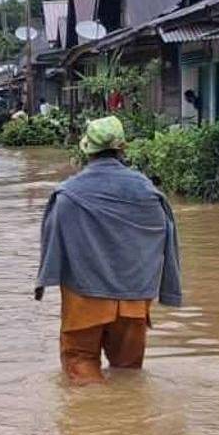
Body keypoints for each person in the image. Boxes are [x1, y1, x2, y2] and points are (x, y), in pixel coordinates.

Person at [33, 115, 182, 384]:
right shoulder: (150, 195)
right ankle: (131, 424)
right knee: (128, 375)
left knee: (81, 366)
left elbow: (52, 247)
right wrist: (168, 290)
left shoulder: (68, 195)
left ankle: (97, 424)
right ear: (123, 148)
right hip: (134, 301)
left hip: (84, 301)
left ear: (87, 149)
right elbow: (165, 245)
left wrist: (43, 284)